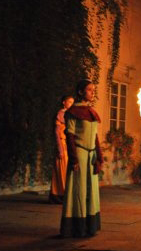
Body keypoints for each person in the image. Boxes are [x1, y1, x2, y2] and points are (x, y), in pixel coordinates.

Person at [60, 80, 103, 237]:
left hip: (91, 155)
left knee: (91, 192)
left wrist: (99, 156)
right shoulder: (72, 112)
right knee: (78, 190)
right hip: (80, 154)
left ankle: (89, 226)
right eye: (89, 90)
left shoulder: (91, 112)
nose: (92, 92)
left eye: (93, 89)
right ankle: (76, 228)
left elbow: (95, 136)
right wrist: (74, 159)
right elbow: (70, 135)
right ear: (80, 92)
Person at [49, 95, 74, 204]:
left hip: (66, 145)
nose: (71, 104)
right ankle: (62, 195)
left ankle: (59, 195)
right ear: (64, 102)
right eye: (69, 102)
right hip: (62, 145)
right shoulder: (61, 114)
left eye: (72, 102)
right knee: (62, 171)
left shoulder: (69, 114)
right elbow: (57, 132)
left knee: (64, 170)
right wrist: (60, 148)